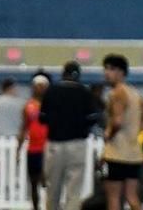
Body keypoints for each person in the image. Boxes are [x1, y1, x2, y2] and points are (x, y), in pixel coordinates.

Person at [40, 61, 100, 210]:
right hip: (77, 144)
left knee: (53, 188)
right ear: (78, 75)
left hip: (55, 144)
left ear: (63, 73)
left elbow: (42, 118)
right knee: (74, 189)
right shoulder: (85, 92)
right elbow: (93, 118)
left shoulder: (52, 91)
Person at [101, 54, 143, 210]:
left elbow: (117, 121)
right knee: (132, 196)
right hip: (133, 153)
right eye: (106, 69)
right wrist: (139, 129)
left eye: (111, 69)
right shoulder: (134, 93)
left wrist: (108, 134)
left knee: (113, 198)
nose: (106, 73)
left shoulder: (117, 93)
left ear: (121, 72)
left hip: (117, 153)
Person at [19, 74, 50, 210]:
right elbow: (23, 127)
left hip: (48, 148)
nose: (39, 89)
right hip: (33, 148)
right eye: (37, 86)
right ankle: (35, 207)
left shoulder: (51, 105)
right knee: (33, 182)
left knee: (47, 181)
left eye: (42, 86)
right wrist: (18, 148)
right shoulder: (28, 106)